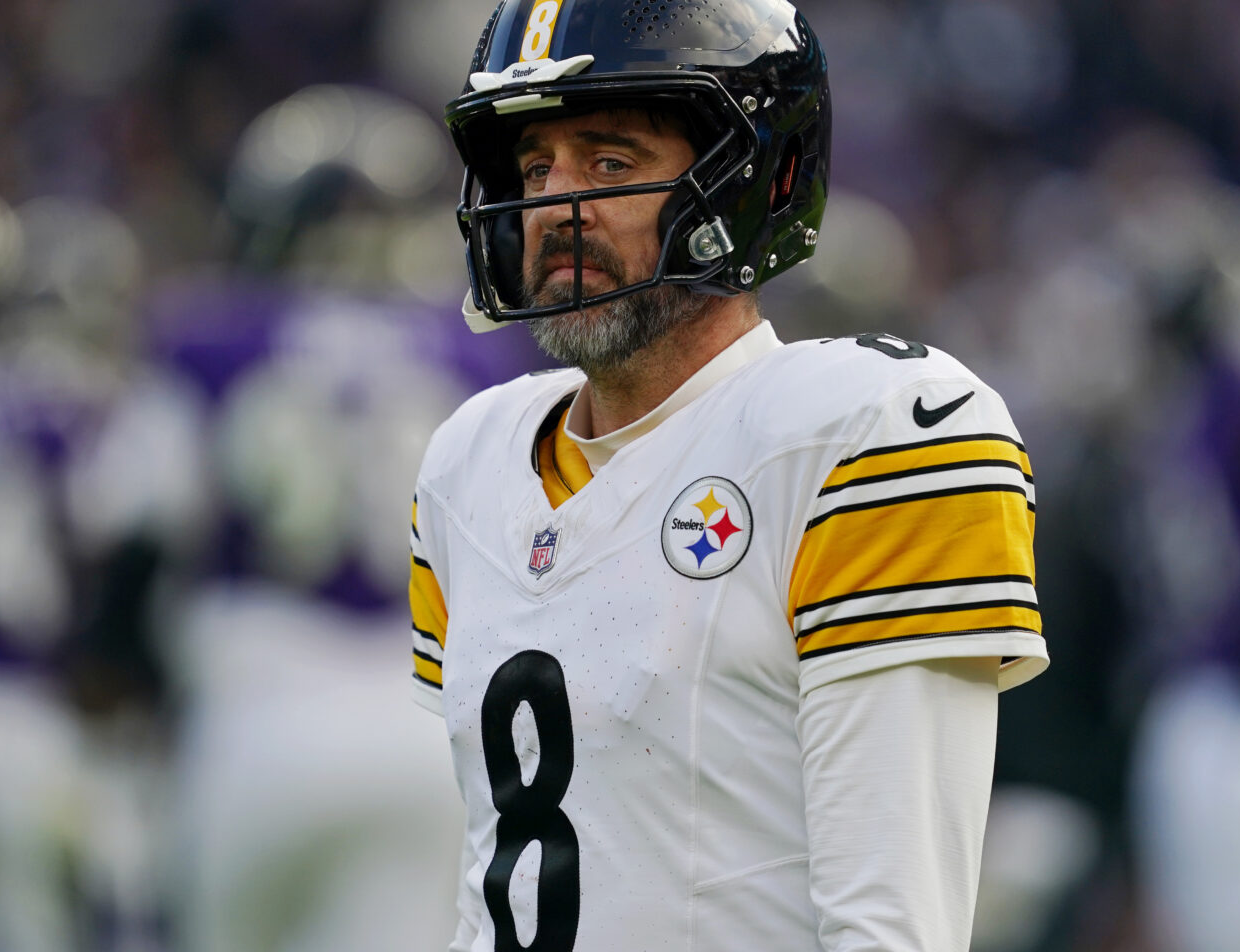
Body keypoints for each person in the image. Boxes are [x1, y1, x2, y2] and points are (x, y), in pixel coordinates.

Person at [408, 0, 1048, 949]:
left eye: (610, 161)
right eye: (535, 166)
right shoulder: (469, 461)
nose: (553, 205)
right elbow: (487, 882)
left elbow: (890, 925)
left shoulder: (866, 432)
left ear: (753, 176)